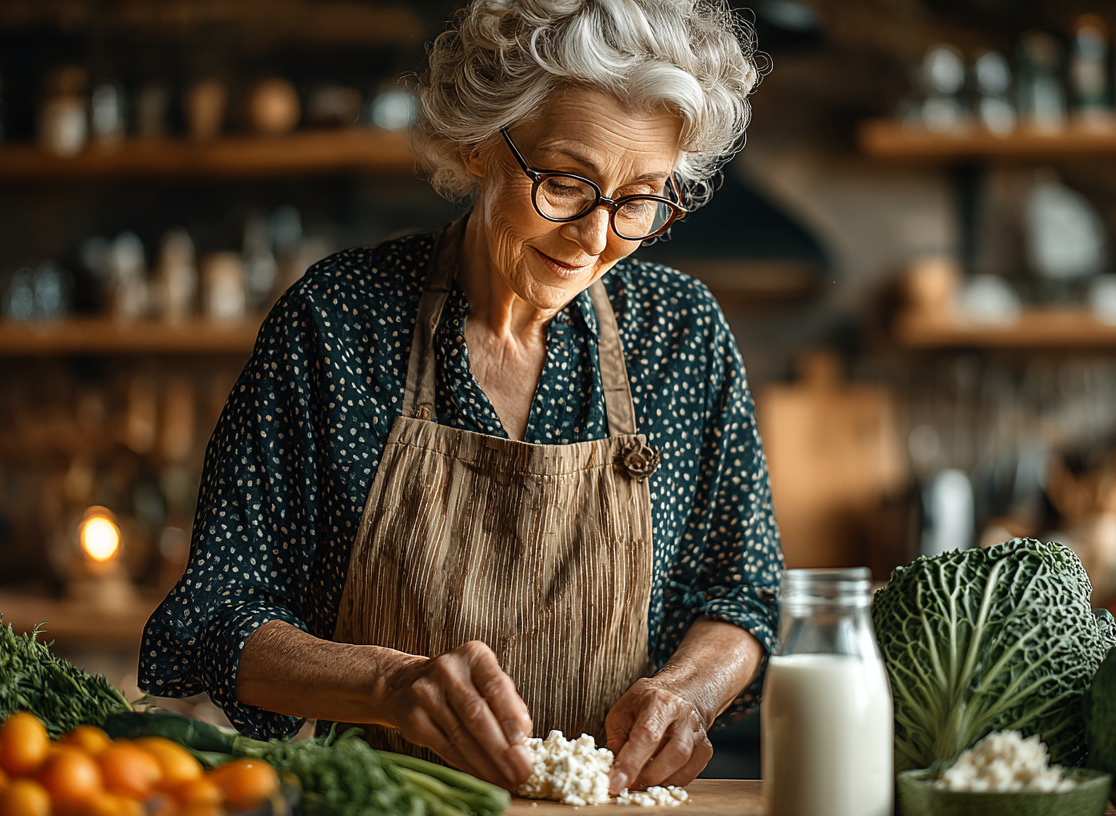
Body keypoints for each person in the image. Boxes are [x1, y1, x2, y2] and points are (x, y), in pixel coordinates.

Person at [139, 0, 781, 796]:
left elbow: (743, 593)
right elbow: (215, 616)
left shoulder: (678, 335)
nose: (593, 236)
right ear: (480, 143)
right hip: (381, 805)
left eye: (640, 198)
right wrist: (386, 685)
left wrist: (689, 690)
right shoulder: (338, 323)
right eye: (565, 181)